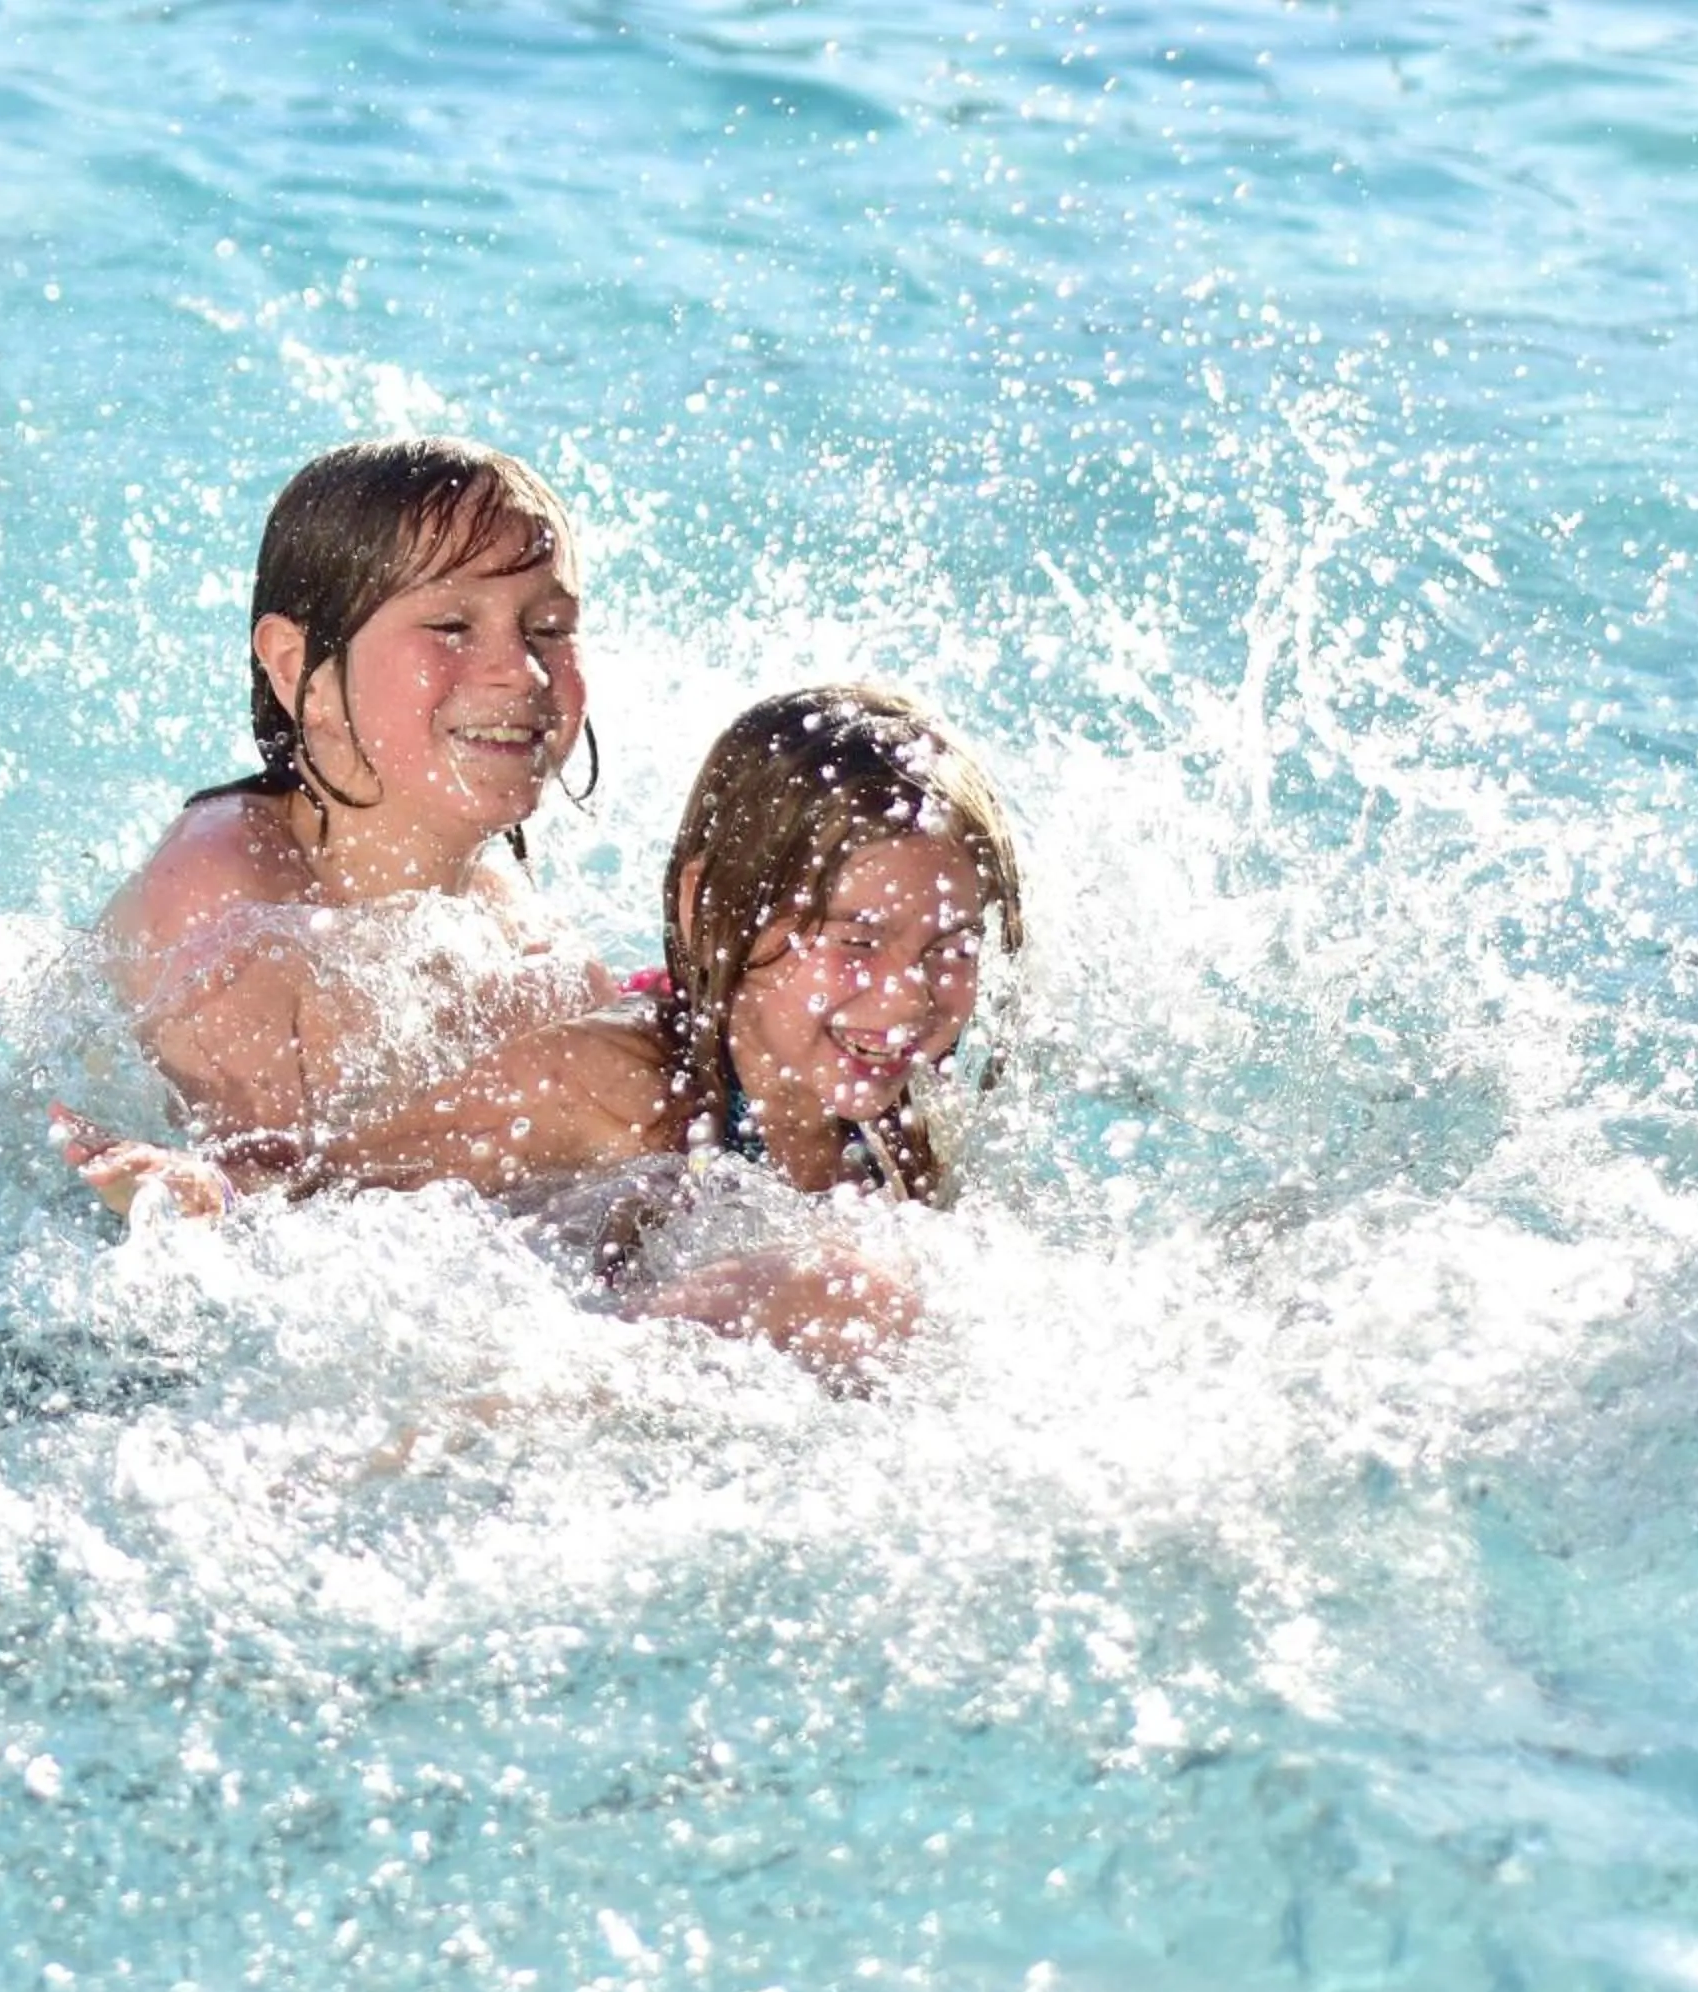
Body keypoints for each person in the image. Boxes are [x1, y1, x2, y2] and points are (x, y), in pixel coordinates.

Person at [61, 685, 1025, 1384]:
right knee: (845, 1289)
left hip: (646, 1359)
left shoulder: (898, 1116)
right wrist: (210, 1195)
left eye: (951, 947)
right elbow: (327, 1189)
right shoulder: (606, 1084)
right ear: (707, 909)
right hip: (497, 1378)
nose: (906, 997)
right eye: (855, 940)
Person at [97, 437, 612, 1138]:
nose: (522, 671)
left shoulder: (533, 952)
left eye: (549, 628)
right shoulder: (224, 898)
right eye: (452, 625)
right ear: (297, 669)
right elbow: (241, 1205)